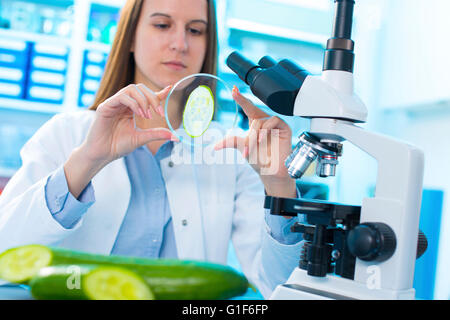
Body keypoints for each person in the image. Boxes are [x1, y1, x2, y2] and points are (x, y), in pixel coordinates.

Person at [0, 0, 303, 298]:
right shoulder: (67, 134)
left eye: (196, 30)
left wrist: (278, 186)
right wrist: (87, 160)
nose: (180, 43)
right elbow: (5, 257)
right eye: (162, 25)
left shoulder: (232, 152)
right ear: (130, 36)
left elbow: (277, 287)